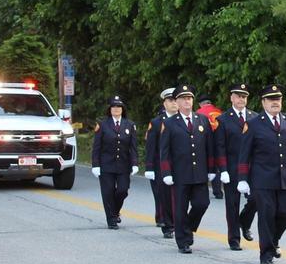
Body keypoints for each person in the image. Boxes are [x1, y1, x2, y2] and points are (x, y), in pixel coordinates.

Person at [236, 84, 286, 264]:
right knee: (267, 216)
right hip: (263, 179)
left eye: (278, 99)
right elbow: (244, 153)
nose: (275, 103)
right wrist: (243, 179)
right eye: (271, 99)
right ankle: (266, 254)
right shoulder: (253, 124)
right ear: (263, 102)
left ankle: (274, 240)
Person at [160, 84, 216, 254]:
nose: (187, 101)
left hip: (199, 172)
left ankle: (189, 226)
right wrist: (166, 172)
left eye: (189, 98)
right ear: (176, 102)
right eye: (183, 98)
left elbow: (209, 147)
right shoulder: (169, 123)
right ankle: (183, 241)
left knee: (202, 203)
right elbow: (164, 151)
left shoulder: (202, 120)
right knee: (180, 209)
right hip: (180, 174)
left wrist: (212, 169)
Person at [215, 83, 258, 250]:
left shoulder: (255, 118)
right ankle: (234, 239)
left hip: (252, 168)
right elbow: (220, 147)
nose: (241, 99)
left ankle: (244, 221)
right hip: (232, 169)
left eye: (244, 96)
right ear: (231, 98)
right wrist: (223, 170)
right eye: (238, 96)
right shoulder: (223, 120)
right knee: (232, 204)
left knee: (256, 200)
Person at [91, 95, 139, 229]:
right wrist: (95, 165)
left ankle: (115, 211)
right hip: (106, 165)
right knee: (108, 192)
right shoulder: (102, 124)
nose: (116, 109)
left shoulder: (129, 125)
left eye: (119, 107)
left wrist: (135, 163)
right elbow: (97, 147)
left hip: (124, 165)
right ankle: (111, 219)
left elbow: (133, 146)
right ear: (110, 109)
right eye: (114, 107)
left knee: (122, 190)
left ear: (123, 109)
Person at [145, 87, 179, 238]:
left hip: (181, 165)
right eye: (170, 100)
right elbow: (151, 147)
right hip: (162, 165)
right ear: (164, 103)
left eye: (175, 100)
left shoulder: (185, 119)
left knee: (180, 196)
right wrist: (150, 167)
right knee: (164, 196)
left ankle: (178, 222)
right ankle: (167, 224)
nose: (173, 104)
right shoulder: (157, 122)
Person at [197, 95, 224, 199]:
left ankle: (201, 191)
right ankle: (218, 192)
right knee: (217, 166)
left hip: (206, 142)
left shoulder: (199, 112)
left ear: (200, 104)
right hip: (220, 141)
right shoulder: (219, 111)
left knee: (204, 165)